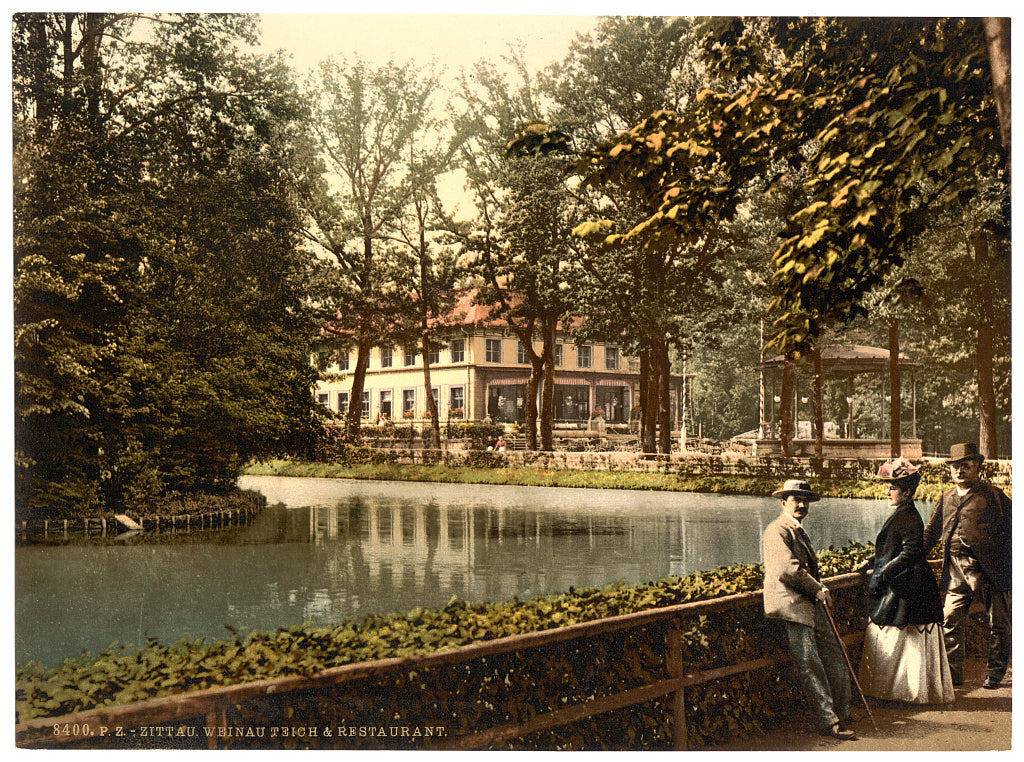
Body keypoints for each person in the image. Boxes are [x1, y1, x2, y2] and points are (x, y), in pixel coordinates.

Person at [762, 479, 855, 740]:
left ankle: (843, 711)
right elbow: (787, 569)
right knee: (809, 663)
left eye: (805, 501)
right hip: (791, 605)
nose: (802, 505)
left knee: (836, 651)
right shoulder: (776, 530)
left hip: (808, 602)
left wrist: (817, 589)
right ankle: (829, 722)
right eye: (796, 500)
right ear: (783, 503)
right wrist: (817, 588)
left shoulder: (797, 530)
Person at [856, 458, 953, 703]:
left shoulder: (908, 515)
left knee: (902, 636)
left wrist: (882, 573)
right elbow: (893, 547)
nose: (887, 492)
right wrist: (871, 560)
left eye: (893, 488)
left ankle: (905, 693)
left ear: (907, 491)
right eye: (888, 487)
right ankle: (898, 692)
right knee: (900, 637)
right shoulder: (904, 512)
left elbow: (911, 552)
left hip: (908, 586)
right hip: (907, 582)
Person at [922, 443, 1011, 689]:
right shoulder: (946, 498)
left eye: (965, 466)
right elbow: (930, 533)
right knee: (950, 619)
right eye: (955, 467)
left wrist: (1006, 569)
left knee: (998, 622)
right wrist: (915, 556)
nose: (959, 471)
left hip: (988, 570)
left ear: (978, 468)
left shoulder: (994, 496)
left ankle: (994, 673)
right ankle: (953, 675)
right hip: (954, 571)